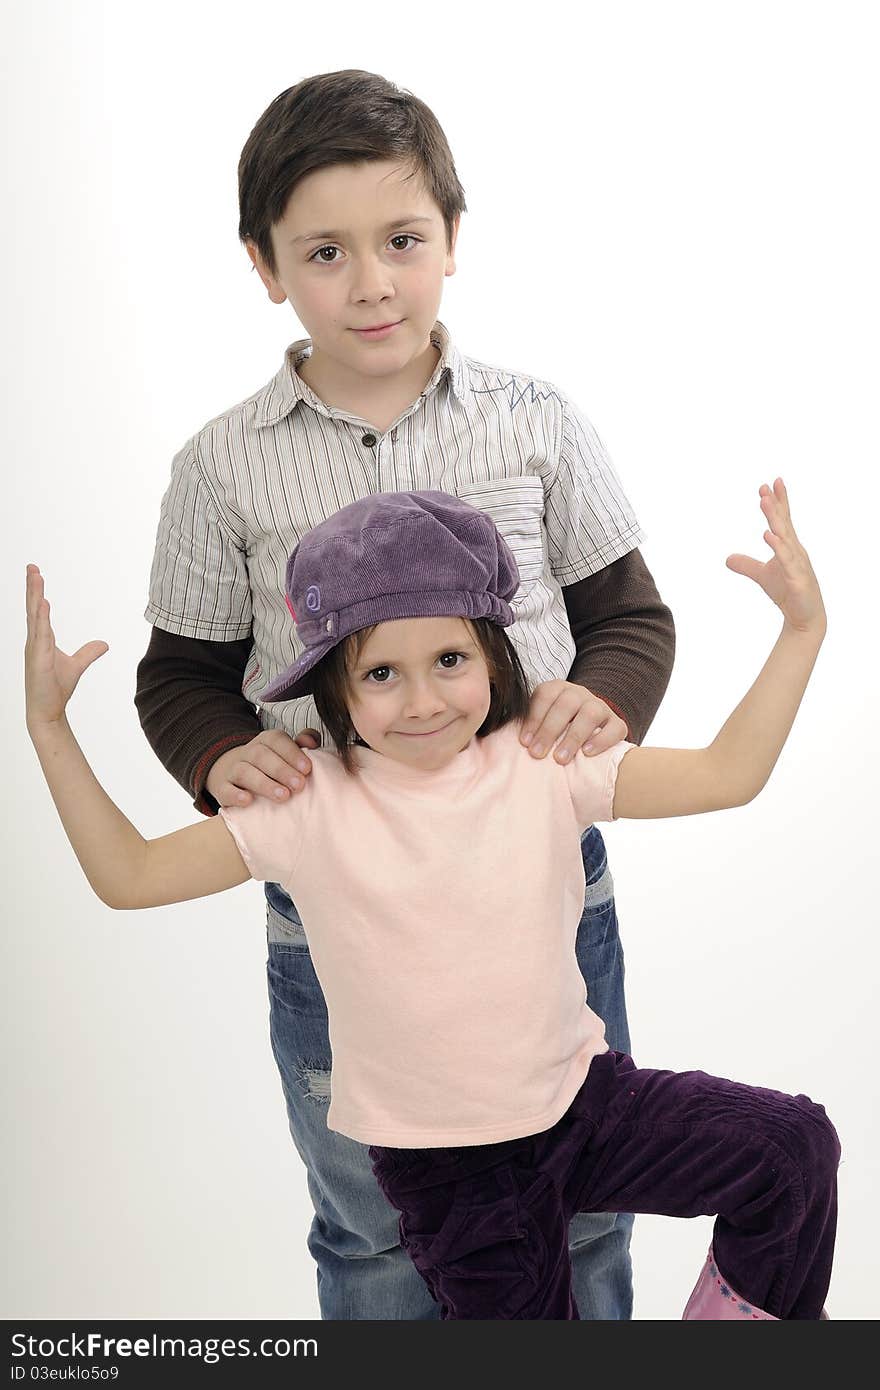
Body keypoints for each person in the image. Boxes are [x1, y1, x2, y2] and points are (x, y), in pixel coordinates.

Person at [26, 480, 838, 1320]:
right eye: (381, 672)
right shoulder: (305, 803)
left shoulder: (544, 764)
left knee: (791, 1147)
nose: (421, 700)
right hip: (456, 1176)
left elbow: (727, 775)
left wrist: (802, 631)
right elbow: (128, 879)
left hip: (587, 1106)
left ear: (493, 657)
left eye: (449, 661)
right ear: (335, 690)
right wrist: (50, 727)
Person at [134, 69, 675, 1320]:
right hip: (336, 919)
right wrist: (219, 752)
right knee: (376, 1232)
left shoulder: (533, 421)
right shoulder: (223, 467)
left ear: (450, 242)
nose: (370, 281)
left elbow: (629, 616)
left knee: (584, 1203)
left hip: (543, 892)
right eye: (325, 251)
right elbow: (181, 671)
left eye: (401, 241)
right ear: (265, 266)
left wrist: (605, 694)